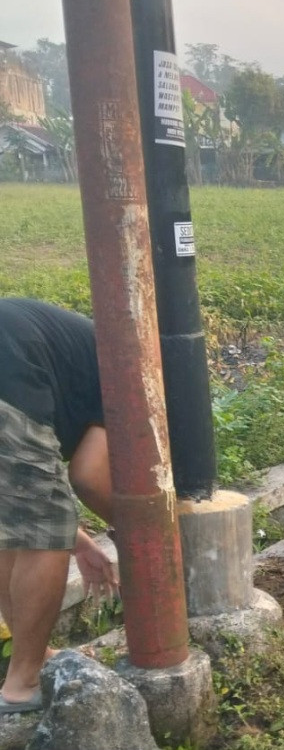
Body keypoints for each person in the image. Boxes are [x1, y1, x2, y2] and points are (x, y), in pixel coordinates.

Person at [0, 298, 118, 714]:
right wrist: (145, 536)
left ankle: (33, 657)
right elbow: (88, 475)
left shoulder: (88, 352)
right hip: (13, 373)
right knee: (42, 530)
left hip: (14, 360)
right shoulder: (132, 378)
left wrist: (80, 542)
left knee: (13, 527)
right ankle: (24, 681)